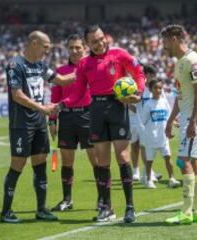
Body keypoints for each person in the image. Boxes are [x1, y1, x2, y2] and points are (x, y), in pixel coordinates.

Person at [57, 25, 145, 223]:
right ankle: (107, 207)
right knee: (102, 161)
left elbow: (139, 73)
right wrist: (62, 105)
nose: (99, 44)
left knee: (123, 157)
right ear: (87, 44)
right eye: (94, 41)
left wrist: (138, 93)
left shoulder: (120, 54)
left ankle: (130, 207)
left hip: (117, 106)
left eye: (100, 39)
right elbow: (78, 91)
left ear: (105, 37)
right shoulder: (84, 64)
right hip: (95, 109)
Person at [0, 30, 75, 223]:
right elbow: (17, 95)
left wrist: (85, 70)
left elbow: (63, 80)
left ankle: (41, 209)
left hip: (39, 123)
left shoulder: (41, 65)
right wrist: (42, 108)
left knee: (40, 165)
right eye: (46, 46)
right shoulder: (15, 65)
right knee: (18, 165)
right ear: (34, 43)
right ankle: (6, 212)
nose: (48, 50)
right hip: (21, 124)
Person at [162, 24, 197, 224]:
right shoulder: (180, 62)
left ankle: (186, 212)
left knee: (183, 161)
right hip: (189, 117)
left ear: (174, 39)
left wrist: (193, 120)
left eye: (164, 41)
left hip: (194, 119)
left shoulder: (193, 60)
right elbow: (181, 95)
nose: (163, 45)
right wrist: (171, 118)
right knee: (194, 162)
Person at [48, 34, 101, 211]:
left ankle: (102, 200)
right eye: (71, 47)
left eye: (78, 47)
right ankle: (67, 200)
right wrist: (52, 120)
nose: (75, 50)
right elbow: (55, 97)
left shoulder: (93, 67)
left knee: (97, 161)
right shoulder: (60, 71)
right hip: (66, 118)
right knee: (66, 162)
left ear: (84, 48)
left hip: (88, 116)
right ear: (67, 49)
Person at [141, 79, 180, 189]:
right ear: (150, 89)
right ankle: (148, 180)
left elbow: (168, 116)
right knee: (149, 160)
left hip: (163, 137)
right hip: (151, 137)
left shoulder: (164, 101)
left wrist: (174, 123)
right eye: (155, 88)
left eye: (160, 88)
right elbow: (143, 121)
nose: (158, 90)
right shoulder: (148, 104)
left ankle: (172, 179)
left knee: (168, 157)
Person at [129, 64, 162, 182]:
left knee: (146, 146)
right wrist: (134, 108)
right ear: (146, 74)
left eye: (155, 75)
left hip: (146, 123)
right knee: (135, 145)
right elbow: (130, 104)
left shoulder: (154, 88)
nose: (154, 77)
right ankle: (136, 171)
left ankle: (149, 172)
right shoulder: (138, 86)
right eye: (152, 75)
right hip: (134, 119)